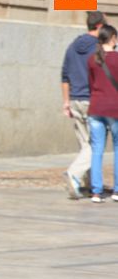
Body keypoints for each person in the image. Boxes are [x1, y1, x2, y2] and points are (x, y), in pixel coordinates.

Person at [61, 11, 106, 199]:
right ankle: (74, 174)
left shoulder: (72, 47)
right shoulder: (98, 48)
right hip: (91, 99)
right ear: (99, 27)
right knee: (95, 145)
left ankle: (88, 181)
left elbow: (64, 76)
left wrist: (66, 102)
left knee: (84, 143)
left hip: (74, 99)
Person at [86, 24, 118, 204]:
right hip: (115, 108)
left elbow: (91, 84)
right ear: (113, 38)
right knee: (117, 148)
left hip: (96, 107)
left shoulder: (92, 59)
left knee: (97, 150)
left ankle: (96, 191)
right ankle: (117, 190)